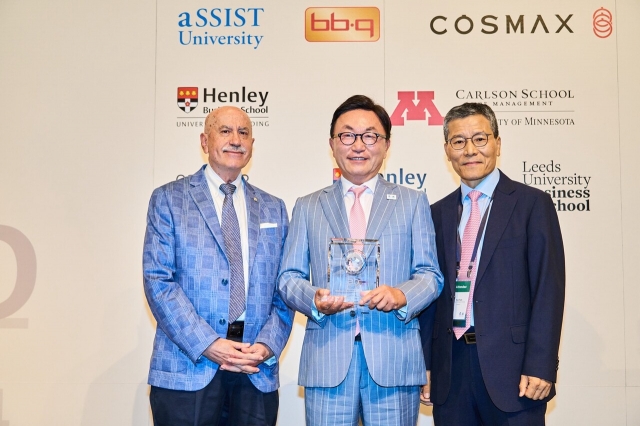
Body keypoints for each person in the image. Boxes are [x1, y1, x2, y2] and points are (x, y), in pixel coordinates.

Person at [278, 95, 443, 426]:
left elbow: (430, 275)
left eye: (370, 136)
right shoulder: (308, 206)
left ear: (385, 144)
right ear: (332, 143)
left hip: (393, 356)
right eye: (347, 135)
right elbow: (288, 278)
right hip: (328, 357)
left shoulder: (412, 202)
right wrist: (314, 298)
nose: (358, 145)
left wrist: (401, 295)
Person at [143, 106, 292, 426]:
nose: (235, 140)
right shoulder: (169, 199)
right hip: (189, 368)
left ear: (252, 143)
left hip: (255, 371)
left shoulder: (274, 207)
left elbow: (285, 287)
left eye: (243, 133)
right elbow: (159, 280)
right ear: (204, 140)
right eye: (225, 131)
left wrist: (268, 344)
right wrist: (208, 344)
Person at [419, 102, 565, 425]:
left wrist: (540, 365)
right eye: (459, 141)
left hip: (513, 373)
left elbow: (548, 291)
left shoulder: (532, 204)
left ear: (498, 143)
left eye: (480, 139)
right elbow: (429, 296)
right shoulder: (435, 214)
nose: (470, 150)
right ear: (447, 150)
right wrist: (424, 363)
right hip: (451, 370)